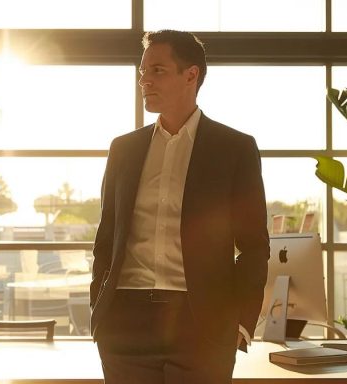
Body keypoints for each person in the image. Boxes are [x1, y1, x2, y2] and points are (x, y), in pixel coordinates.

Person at [90, 30, 270, 383]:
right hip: (124, 324)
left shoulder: (234, 148)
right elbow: (106, 237)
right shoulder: (123, 149)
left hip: (201, 324)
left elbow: (253, 245)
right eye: (143, 71)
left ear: (191, 75)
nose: (144, 80)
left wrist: (242, 324)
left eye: (157, 70)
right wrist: (100, 311)